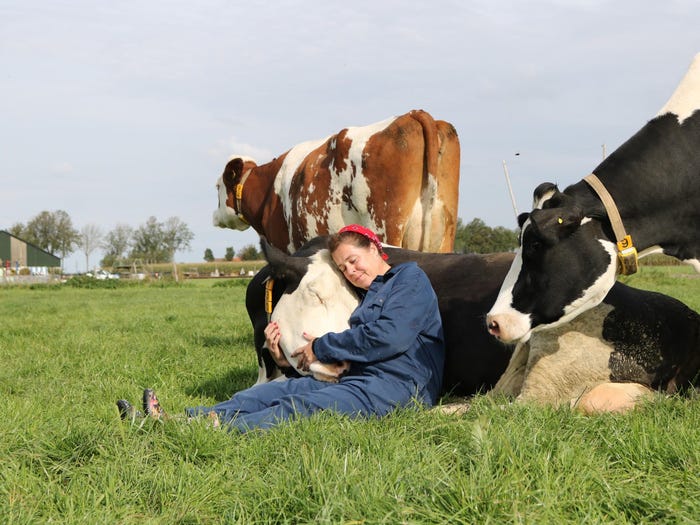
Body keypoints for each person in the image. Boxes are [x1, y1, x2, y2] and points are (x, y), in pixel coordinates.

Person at [118, 224, 445, 433]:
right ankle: (180, 420)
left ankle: (203, 431)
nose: (351, 270)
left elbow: (390, 336)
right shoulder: (368, 295)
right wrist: (295, 361)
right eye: (344, 267)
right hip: (364, 378)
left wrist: (322, 347)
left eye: (354, 259)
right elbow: (363, 348)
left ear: (374, 248)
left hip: (403, 388)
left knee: (299, 408)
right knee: (276, 390)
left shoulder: (408, 279)